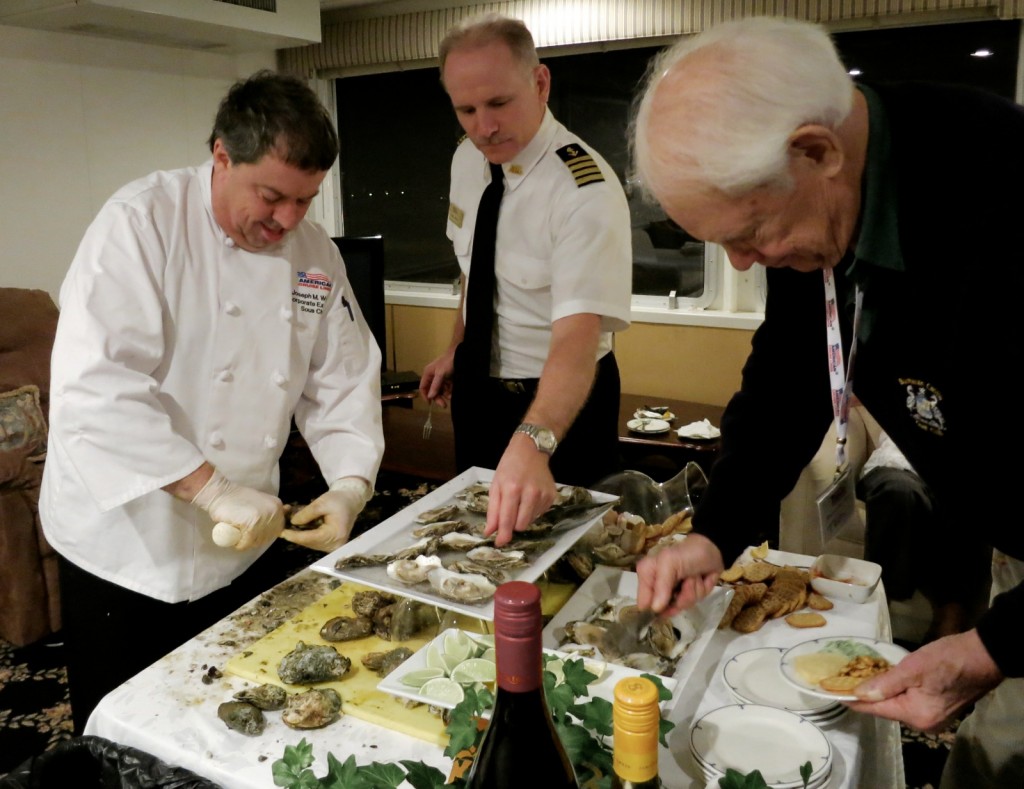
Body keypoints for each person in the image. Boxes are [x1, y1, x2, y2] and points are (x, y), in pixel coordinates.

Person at [628, 16, 1024, 788]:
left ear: (818, 151)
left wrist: (997, 646)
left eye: (749, 233)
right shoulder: (817, 196)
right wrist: (715, 531)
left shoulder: (1001, 203)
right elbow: (791, 373)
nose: (743, 261)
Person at [40, 71, 384, 733]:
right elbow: (95, 388)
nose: (288, 220)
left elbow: (341, 376)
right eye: (272, 195)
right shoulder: (140, 223)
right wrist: (210, 489)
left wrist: (349, 484)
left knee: (235, 720)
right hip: (129, 546)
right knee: (128, 734)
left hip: (245, 542)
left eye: (305, 200)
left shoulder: (311, 253)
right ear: (221, 155)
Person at [419, 14, 633, 547]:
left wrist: (536, 441)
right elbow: (474, 269)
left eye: (498, 103)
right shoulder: (467, 161)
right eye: (465, 110)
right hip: (479, 390)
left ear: (540, 84)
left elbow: (577, 341)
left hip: (561, 401)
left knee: (567, 552)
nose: (482, 126)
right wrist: (457, 347)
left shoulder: (583, 189)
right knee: (473, 540)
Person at [857, 428, 989, 641]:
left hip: (963, 478)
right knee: (899, 492)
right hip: (899, 466)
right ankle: (876, 611)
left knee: (970, 505)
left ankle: (950, 622)